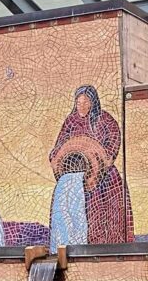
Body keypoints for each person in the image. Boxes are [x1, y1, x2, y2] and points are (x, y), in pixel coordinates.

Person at [48, 85, 133, 244]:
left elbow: (113, 143)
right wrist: (56, 157)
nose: (82, 106)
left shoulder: (105, 120)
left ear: (93, 102)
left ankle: (109, 247)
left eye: (86, 102)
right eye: (78, 103)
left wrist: (101, 160)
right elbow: (58, 146)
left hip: (103, 177)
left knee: (103, 214)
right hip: (72, 176)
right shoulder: (70, 121)